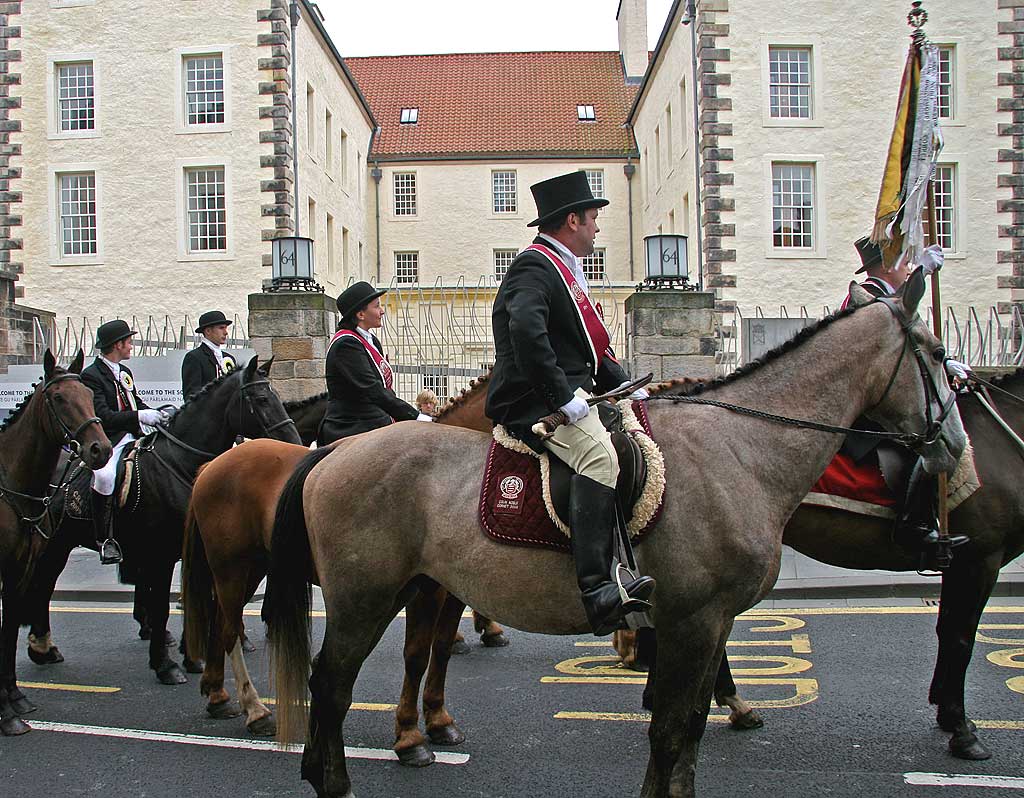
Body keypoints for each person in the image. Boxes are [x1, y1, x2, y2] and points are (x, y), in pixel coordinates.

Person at [485, 171, 654, 636]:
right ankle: (598, 589)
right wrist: (561, 396)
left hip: (574, 392)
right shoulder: (533, 267)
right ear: (573, 219)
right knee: (598, 457)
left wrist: (626, 386)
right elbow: (527, 335)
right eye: (594, 218)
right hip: (532, 401)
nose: (598, 228)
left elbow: (587, 344)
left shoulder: (563, 269)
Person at [841, 237, 968, 565]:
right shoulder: (867, 297)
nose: (908, 266)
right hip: (868, 410)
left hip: (883, 398)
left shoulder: (888, 296)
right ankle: (914, 524)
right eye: (903, 262)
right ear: (884, 266)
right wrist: (922, 275)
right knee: (928, 443)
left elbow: (914, 342)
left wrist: (945, 361)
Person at [81, 320, 168, 564]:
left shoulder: (124, 372)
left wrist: (156, 413)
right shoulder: (92, 375)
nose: (131, 346)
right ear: (117, 344)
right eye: (128, 341)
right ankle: (104, 538)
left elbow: (134, 402)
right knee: (105, 476)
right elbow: (103, 415)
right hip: (109, 439)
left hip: (134, 435)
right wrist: (139, 416)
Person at [317, 281, 433, 445]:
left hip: (376, 420)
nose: (382, 311)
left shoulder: (370, 340)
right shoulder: (346, 345)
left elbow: (385, 389)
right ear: (361, 315)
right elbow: (373, 389)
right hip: (352, 427)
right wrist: (415, 416)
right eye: (377, 306)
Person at [181, 310, 236, 399]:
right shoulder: (195, 357)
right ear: (208, 331)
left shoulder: (229, 358)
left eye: (226, 328)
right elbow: (191, 395)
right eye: (221, 328)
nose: (226, 332)